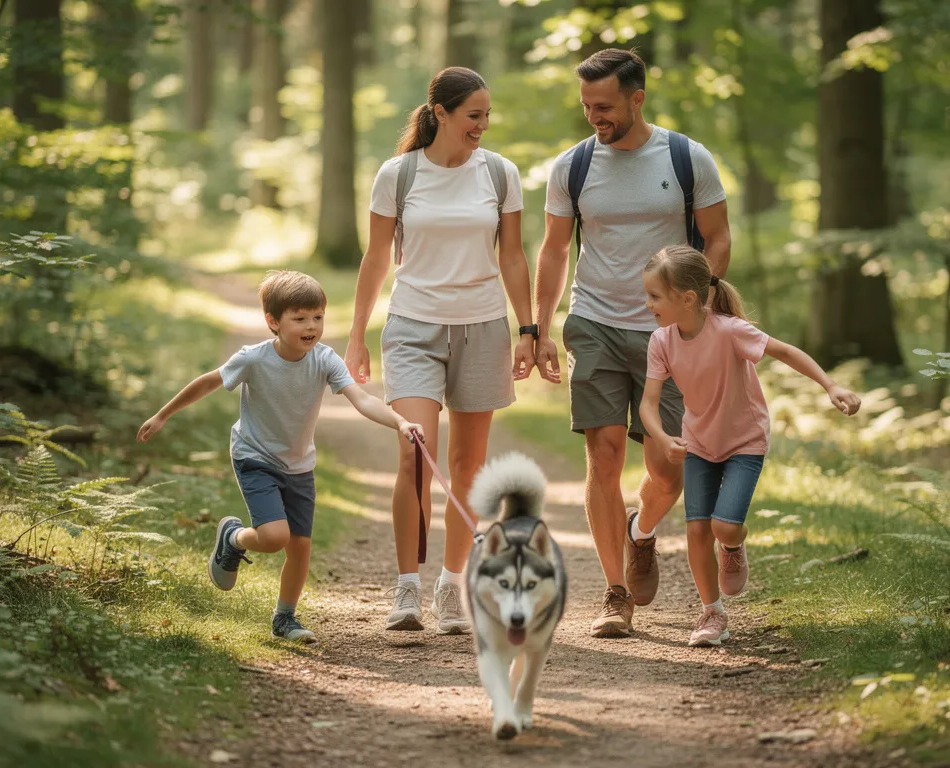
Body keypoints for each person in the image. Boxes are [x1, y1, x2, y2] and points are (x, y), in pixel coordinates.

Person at [532, 48, 731, 637]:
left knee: (671, 464)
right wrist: (539, 327)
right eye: (588, 106)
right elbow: (553, 249)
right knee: (604, 453)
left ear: (637, 98)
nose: (596, 116)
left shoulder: (685, 157)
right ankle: (615, 592)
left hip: (667, 332)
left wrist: (703, 304)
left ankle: (641, 529)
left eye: (607, 105)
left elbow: (717, 238)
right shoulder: (572, 166)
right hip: (593, 320)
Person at [346, 66, 535, 634]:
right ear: (442, 114)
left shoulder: (500, 174)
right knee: (414, 452)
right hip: (413, 326)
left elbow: (513, 258)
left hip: (481, 327)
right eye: (474, 115)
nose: (482, 125)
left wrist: (529, 330)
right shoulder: (398, 175)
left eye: (487, 115)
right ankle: (407, 588)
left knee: (468, 466)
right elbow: (377, 258)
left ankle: (452, 587)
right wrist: (357, 333)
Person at [138, 271, 421, 644]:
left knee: (300, 547)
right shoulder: (253, 359)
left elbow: (362, 399)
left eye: (317, 317)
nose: (311, 326)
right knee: (274, 537)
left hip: (299, 464)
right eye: (300, 318)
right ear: (273, 321)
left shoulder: (324, 359)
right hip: (254, 455)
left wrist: (399, 421)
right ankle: (234, 537)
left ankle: (284, 618)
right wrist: (163, 414)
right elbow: (209, 381)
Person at [639, 245, 861, 646]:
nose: (648, 303)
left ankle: (734, 543)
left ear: (686, 299)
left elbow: (785, 351)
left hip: (745, 440)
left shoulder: (730, 331)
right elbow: (648, 404)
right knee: (695, 531)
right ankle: (712, 614)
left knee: (723, 525)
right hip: (699, 443)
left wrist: (831, 385)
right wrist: (662, 436)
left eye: (655, 296)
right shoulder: (661, 342)